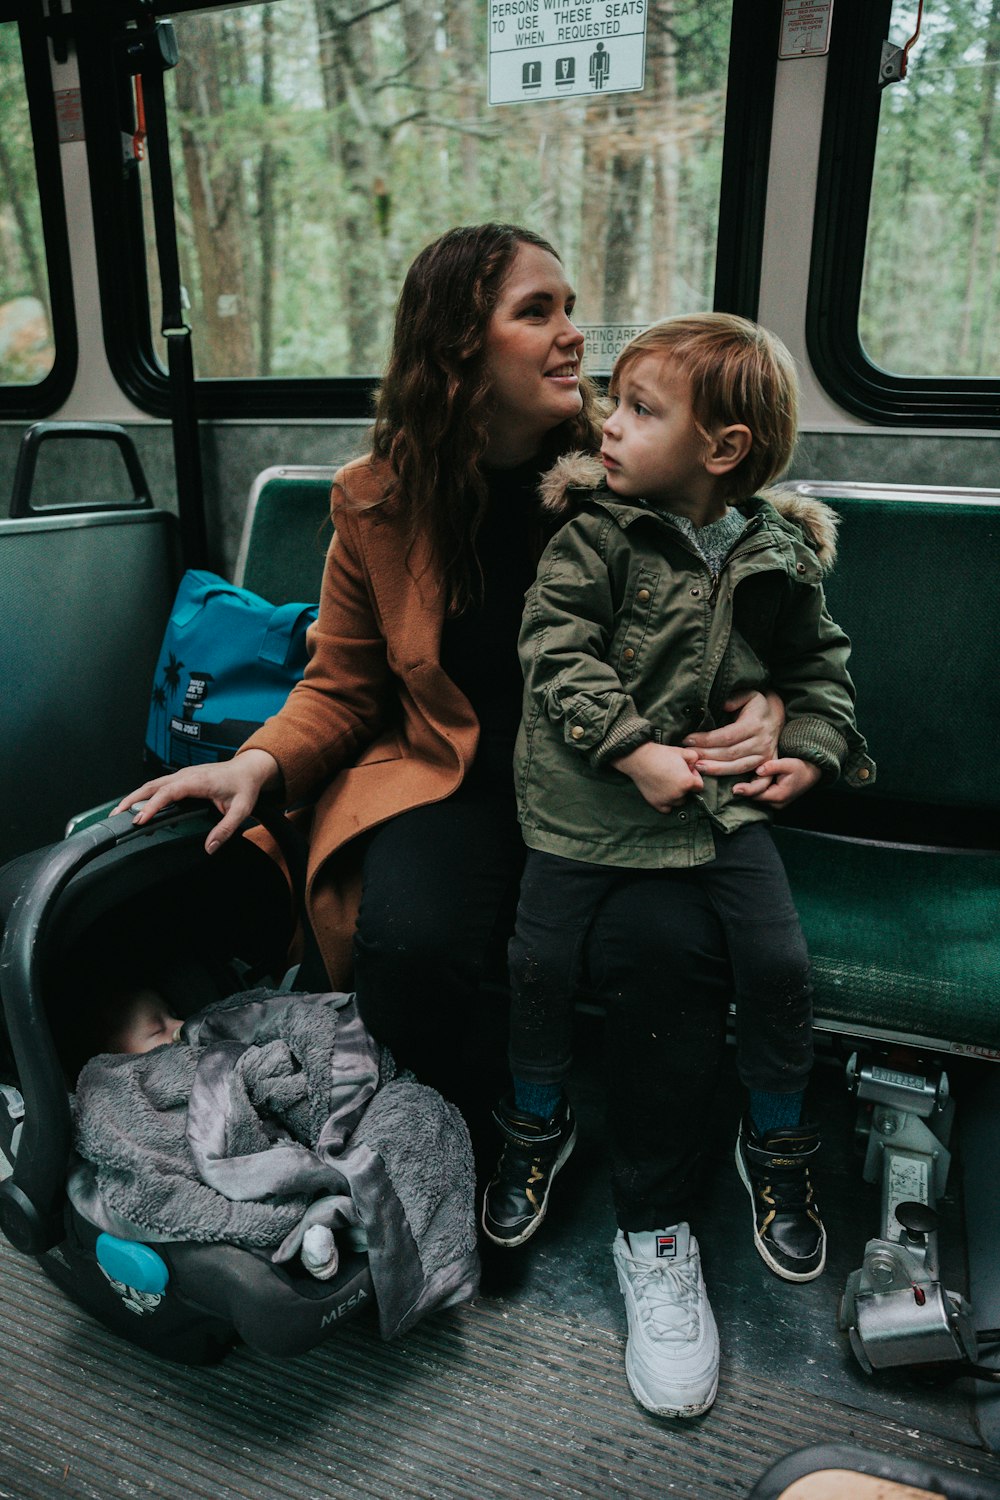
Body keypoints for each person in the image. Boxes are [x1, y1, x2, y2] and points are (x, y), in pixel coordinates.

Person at [113, 226, 781, 1190]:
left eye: (570, 307)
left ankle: (654, 1205)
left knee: (666, 950)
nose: (574, 335)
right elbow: (342, 685)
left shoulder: (628, 464)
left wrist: (767, 700)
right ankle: (442, 1153)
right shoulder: (378, 499)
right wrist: (254, 765)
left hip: (614, 780)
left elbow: (747, 595)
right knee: (407, 940)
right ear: (459, 345)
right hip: (457, 776)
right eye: (537, 311)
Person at [480, 312, 875, 1418]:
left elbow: (819, 668)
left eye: (642, 411)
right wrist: (633, 748)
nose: (608, 423)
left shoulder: (775, 554)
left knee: (777, 963)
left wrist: (805, 748)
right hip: (582, 810)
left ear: (722, 452)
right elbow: (552, 654)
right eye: (615, 400)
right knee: (539, 969)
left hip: (719, 816)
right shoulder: (592, 536)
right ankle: (533, 1121)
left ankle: (778, 1139)